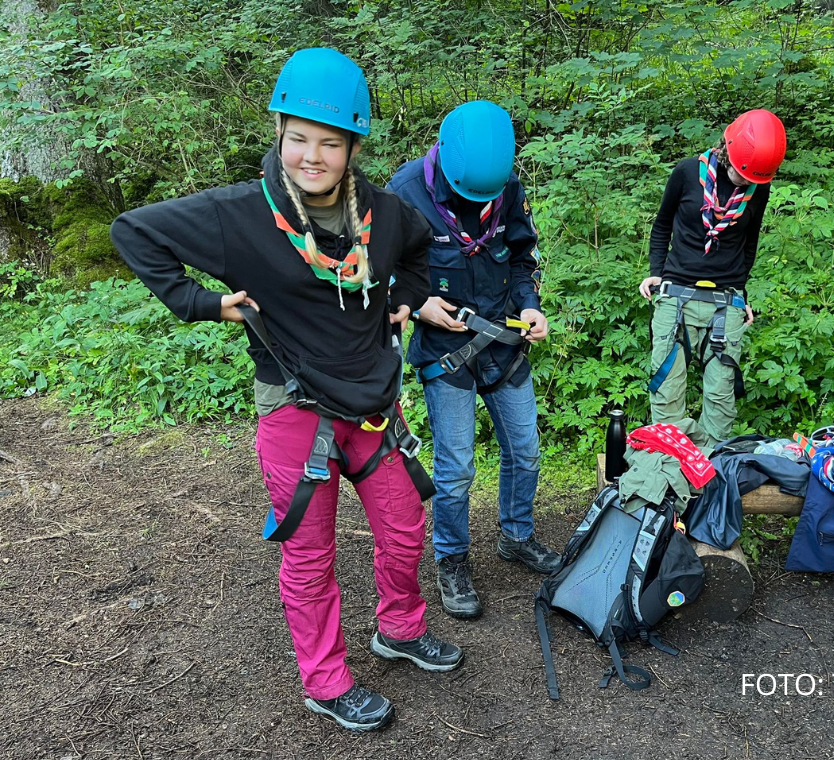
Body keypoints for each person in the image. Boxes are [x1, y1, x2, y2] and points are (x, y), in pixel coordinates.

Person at [111, 48, 461, 733]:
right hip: (296, 409)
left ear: (353, 146)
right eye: (298, 137)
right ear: (278, 130)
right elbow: (135, 231)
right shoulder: (239, 214)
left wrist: (406, 300)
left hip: (371, 406)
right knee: (310, 553)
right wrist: (205, 304)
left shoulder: (385, 216)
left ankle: (400, 628)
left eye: (330, 142)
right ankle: (326, 681)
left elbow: (423, 250)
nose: (312, 155)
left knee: (403, 525)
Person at [387, 100, 560, 621]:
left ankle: (516, 535)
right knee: (457, 466)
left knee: (526, 451)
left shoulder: (507, 188)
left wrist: (530, 305)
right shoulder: (405, 192)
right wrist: (419, 305)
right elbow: (380, 271)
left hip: (504, 344)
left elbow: (523, 256)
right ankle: (452, 559)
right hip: (446, 351)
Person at [639, 109, 784, 442]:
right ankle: (667, 471)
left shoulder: (758, 188)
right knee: (667, 390)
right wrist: (656, 274)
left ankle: (711, 478)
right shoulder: (688, 173)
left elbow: (750, 241)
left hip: (725, 298)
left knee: (721, 399)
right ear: (728, 151)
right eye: (741, 175)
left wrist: (741, 293)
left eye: (753, 180)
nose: (745, 183)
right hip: (677, 291)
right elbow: (662, 225)